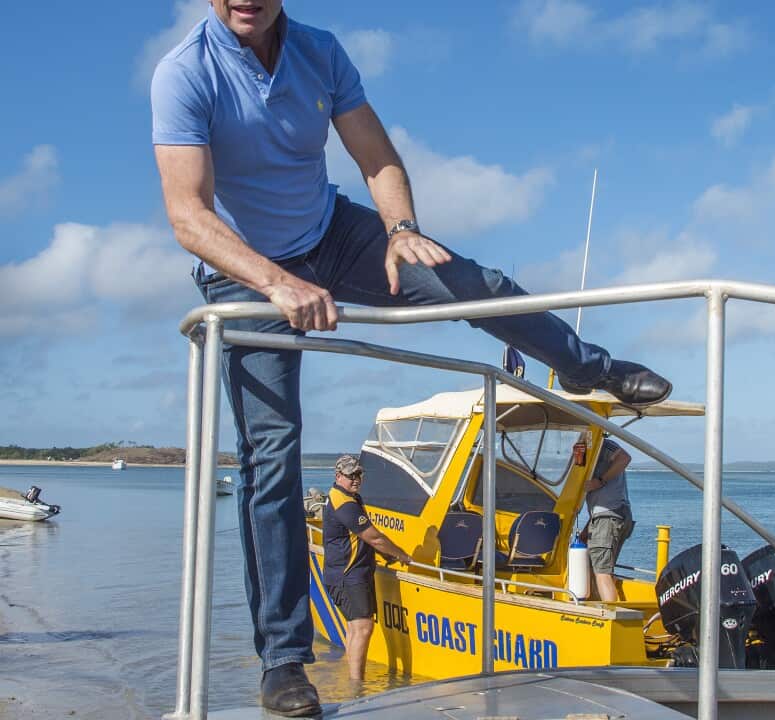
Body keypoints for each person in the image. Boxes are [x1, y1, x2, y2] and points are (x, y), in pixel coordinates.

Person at [150, 2, 672, 714]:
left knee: (472, 284)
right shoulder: (185, 73)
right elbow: (189, 214)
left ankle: (585, 367)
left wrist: (400, 229)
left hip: (333, 233)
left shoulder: (319, 51)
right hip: (245, 270)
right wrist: (277, 281)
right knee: (271, 454)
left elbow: (378, 157)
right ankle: (284, 662)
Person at [321, 455, 413, 682]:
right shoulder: (343, 502)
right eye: (351, 475)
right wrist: (400, 554)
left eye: (359, 474)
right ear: (338, 476)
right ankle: (356, 684)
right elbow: (373, 536)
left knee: (355, 628)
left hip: (350, 573)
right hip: (347, 575)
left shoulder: (350, 498)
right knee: (362, 626)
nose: (356, 479)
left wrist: (383, 554)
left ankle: (354, 682)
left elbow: (361, 539)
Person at [578, 437, 635, 602]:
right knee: (593, 566)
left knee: (602, 572)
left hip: (609, 516)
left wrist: (599, 481)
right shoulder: (588, 448)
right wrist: (588, 527)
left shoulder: (600, 444)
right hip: (610, 515)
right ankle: (597, 607)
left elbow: (625, 458)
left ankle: (609, 619)